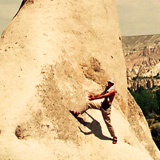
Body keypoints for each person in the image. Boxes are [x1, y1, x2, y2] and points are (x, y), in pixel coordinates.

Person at [70, 79, 117, 144]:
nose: (109, 84)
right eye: (108, 82)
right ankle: (78, 113)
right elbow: (102, 94)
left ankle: (114, 137)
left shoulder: (113, 91)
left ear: (112, 84)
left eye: (110, 83)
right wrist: (94, 96)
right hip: (102, 105)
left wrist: (95, 98)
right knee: (88, 103)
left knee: (108, 123)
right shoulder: (107, 88)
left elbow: (105, 95)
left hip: (106, 109)